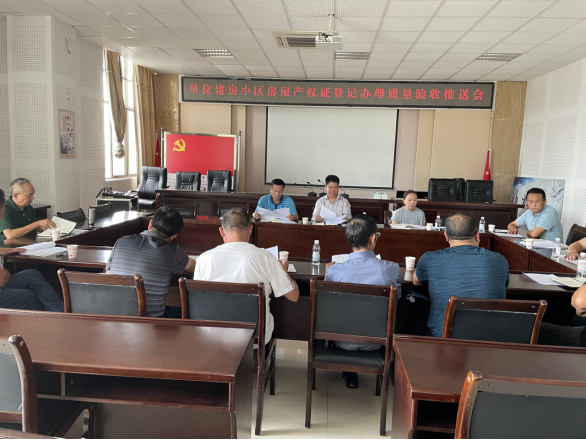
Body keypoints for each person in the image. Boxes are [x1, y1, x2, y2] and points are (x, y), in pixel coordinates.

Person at [194, 209, 300, 344]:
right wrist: (283, 271)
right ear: (250, 229)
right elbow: (294, 296)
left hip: (211, 338)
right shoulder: (265, 257)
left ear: (221, 231)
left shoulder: (203, 259)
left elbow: (199, 300)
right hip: (254, 339)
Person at [325, 214, 402, 389]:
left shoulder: (334, 271)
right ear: (373, 238)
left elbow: (327, 304)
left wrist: (327, 275)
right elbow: (397, 300)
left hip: (342, 340)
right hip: (377, 341)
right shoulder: (392, 269)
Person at [413, 212, 510, 337]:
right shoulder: (499, 259)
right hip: (492, 337)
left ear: (446, 235)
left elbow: (416, 281)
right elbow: (505, 284)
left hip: (444, 336)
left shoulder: (429, 258)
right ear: (477, 235)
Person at [106, 206, 196, 318]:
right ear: (173, 237)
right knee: (189, 310)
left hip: (114, 312)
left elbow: (108, 275)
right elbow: (193, 267)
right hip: (151, 319)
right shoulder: (173, 251)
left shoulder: (121, 241)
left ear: (150, 223)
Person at [0, 189, 64, 312]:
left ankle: (61, 314)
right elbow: (1, 280)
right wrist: (6, 274)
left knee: (32, 274)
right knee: (33, 297)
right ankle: (58, 316)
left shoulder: (27, 208)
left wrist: (11, 250)